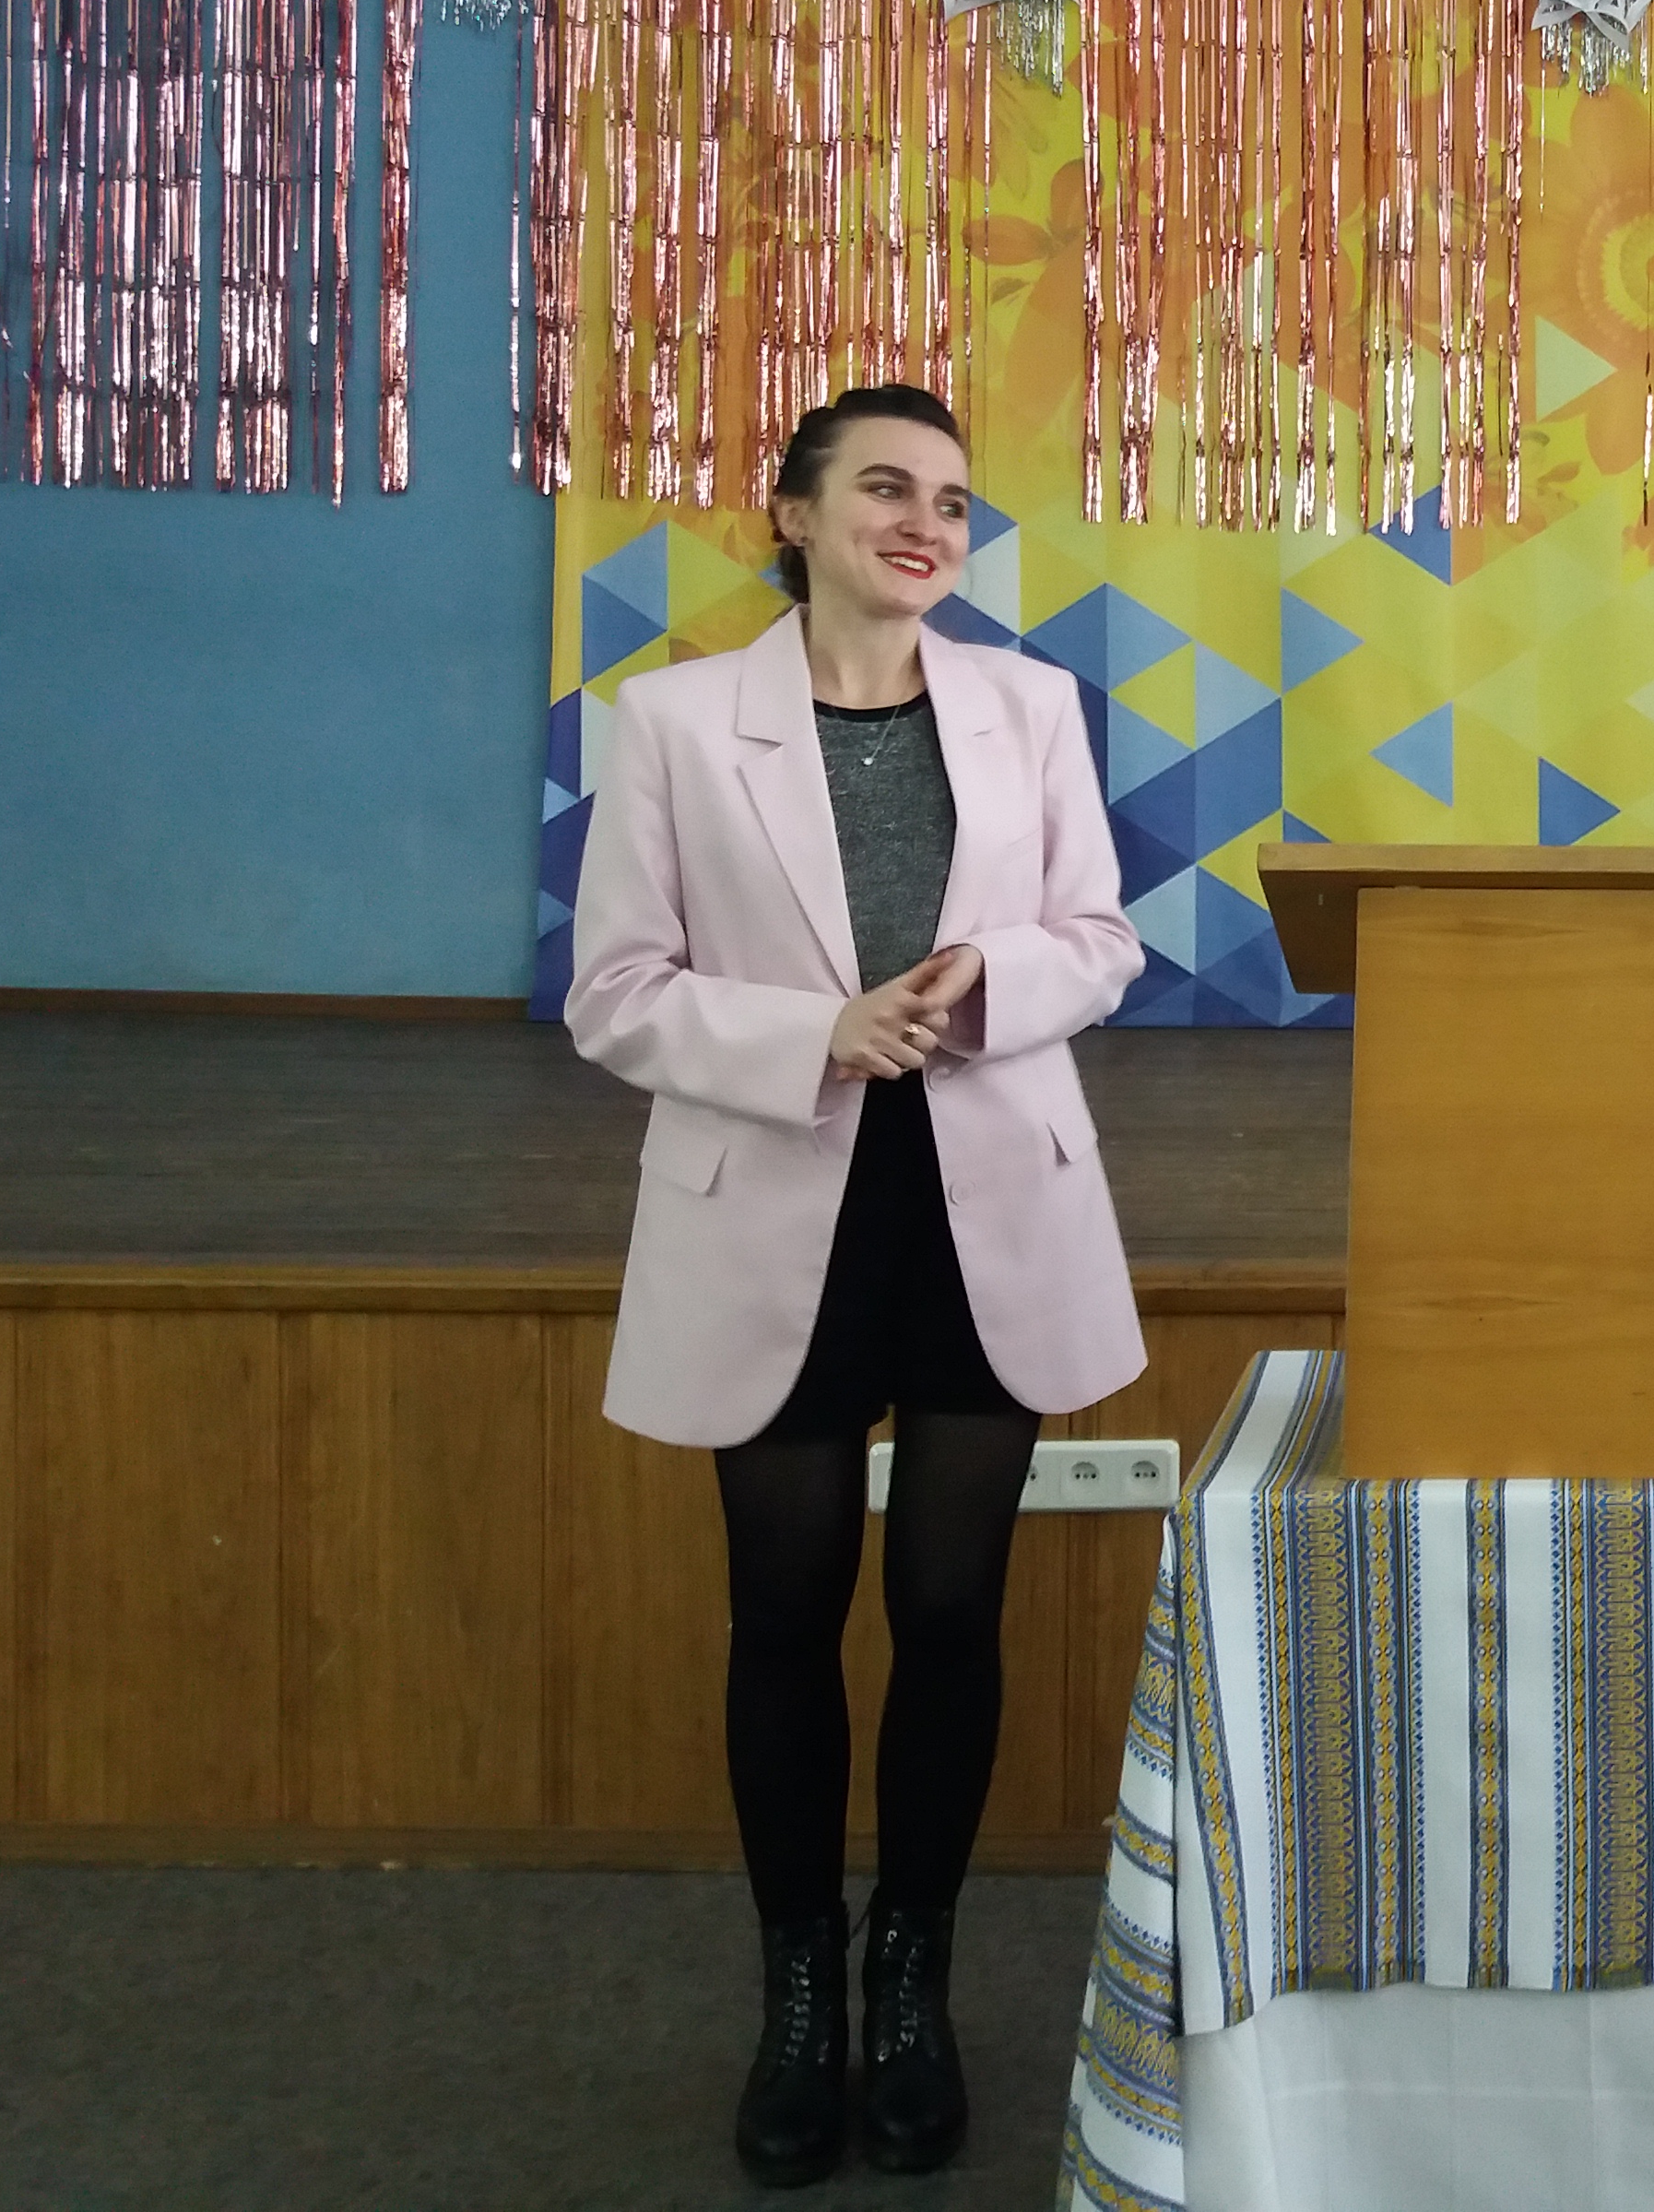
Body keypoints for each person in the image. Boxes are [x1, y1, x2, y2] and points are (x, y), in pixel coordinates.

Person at [565, 383, 1145, 2186]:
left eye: (953, 501)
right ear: (794, 512)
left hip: (986, 1207)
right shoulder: (673, 722)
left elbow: (1099, 942)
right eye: (886, 488)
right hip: (772, 1200)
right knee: (784, 1615)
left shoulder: (1031, 706)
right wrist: (814, 1030)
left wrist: (986, 991)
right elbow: (616, 992)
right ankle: (800, 1991)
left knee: (953, 1614)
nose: (925, 524)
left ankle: (913, 1981)